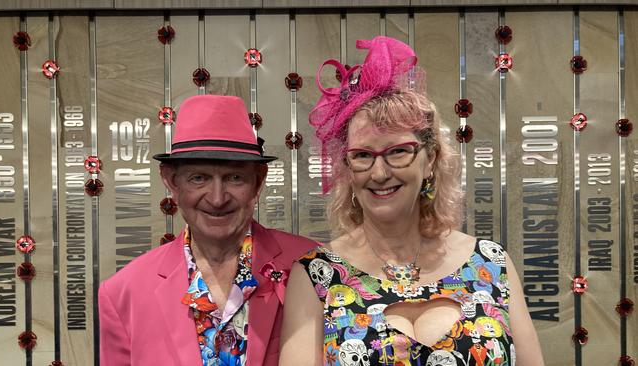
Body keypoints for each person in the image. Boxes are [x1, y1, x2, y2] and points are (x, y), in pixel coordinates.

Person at [280, 36, 543, 366]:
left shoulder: (492, 263)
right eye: (362, 156)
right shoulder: (317, 274)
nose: (379, 172)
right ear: (347, 167)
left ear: (430, 159)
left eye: (398, 152)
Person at [98, 94, 317, 366]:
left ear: (258, 182)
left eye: (234, 178)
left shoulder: (313, 265)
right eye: (198, 178)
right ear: (172, 182)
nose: (217, 198)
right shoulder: (122, 294)